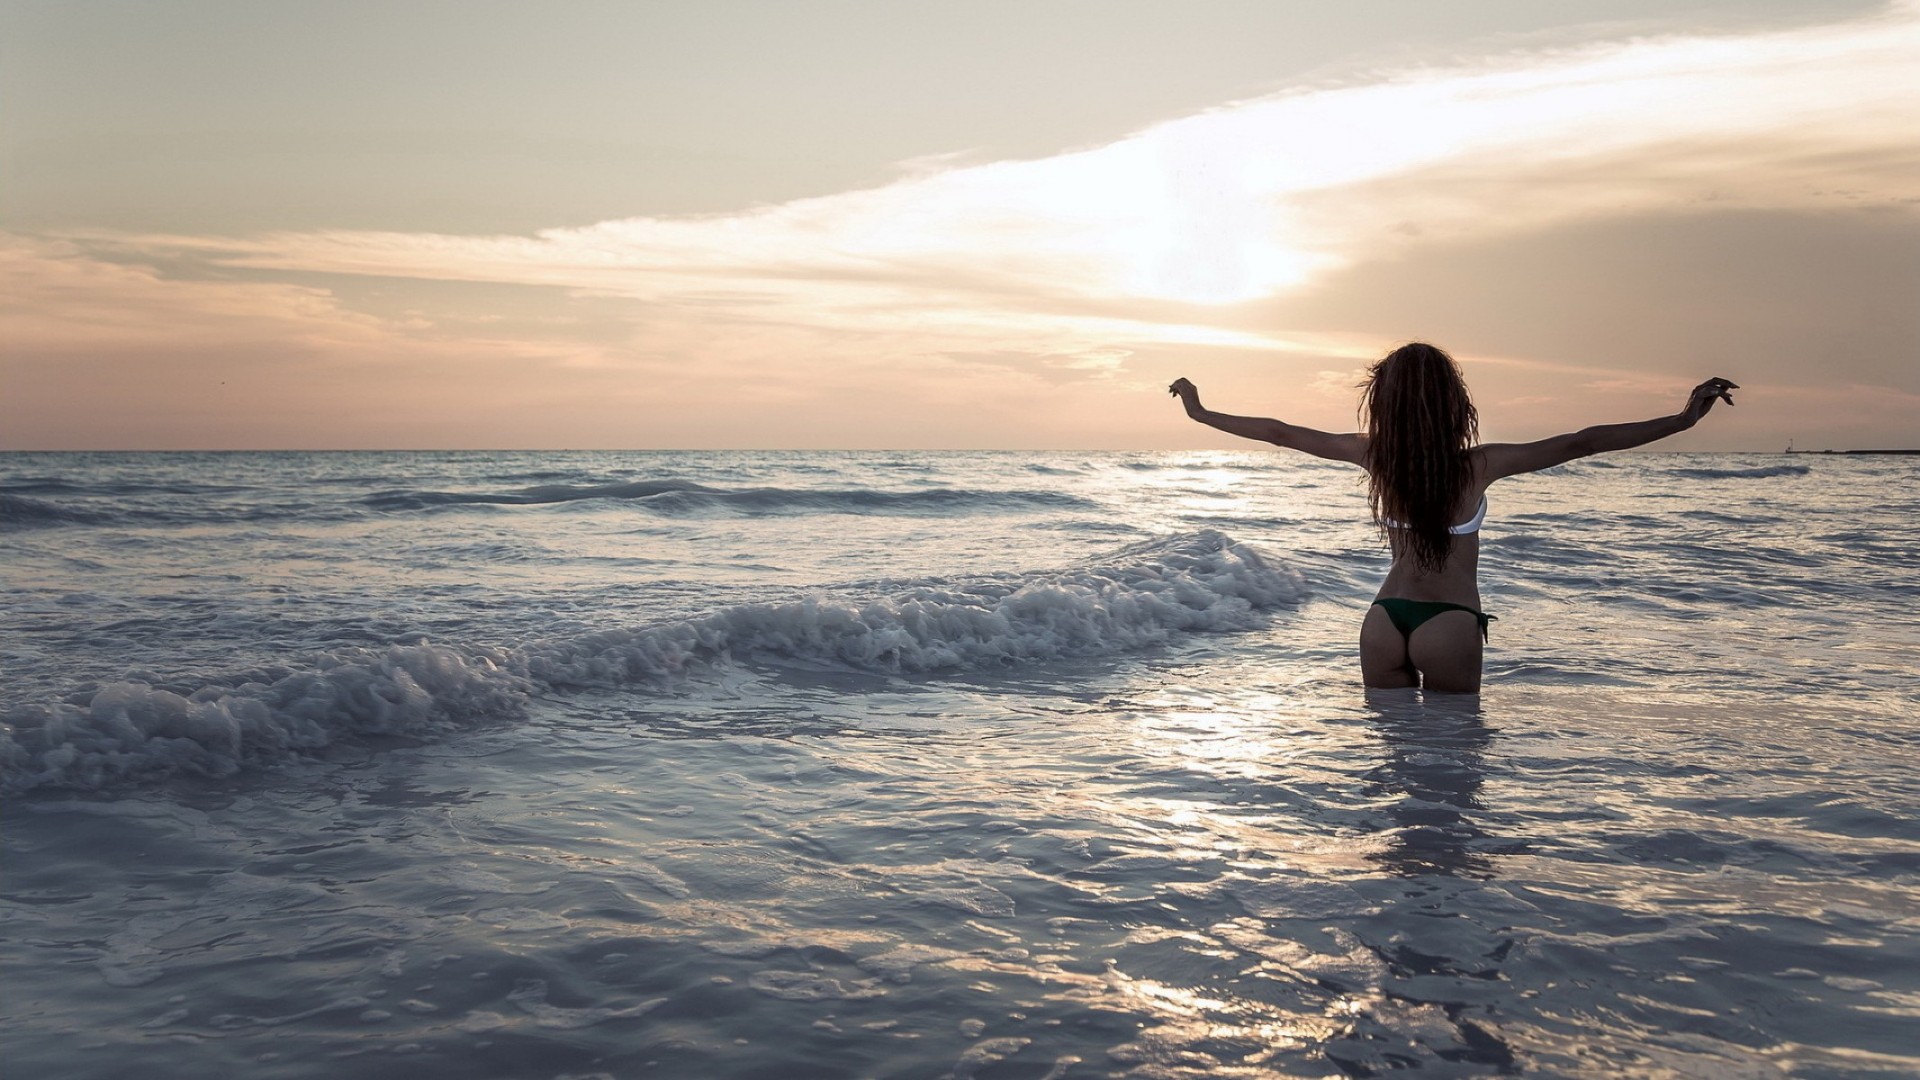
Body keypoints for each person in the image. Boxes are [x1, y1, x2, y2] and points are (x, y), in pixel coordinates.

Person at [1169, 343, 1735, 693]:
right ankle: (1449, 887)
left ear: (1383, 401)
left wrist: (1199, 411)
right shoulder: (1482, 464)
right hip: (1450, 621)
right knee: (1451, 776)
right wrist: (1683, 420)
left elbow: (1280, 432)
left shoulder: (1372, 455)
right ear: (1453, 403)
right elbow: (1583, 442)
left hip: (1382, 621)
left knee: (1394, 772)